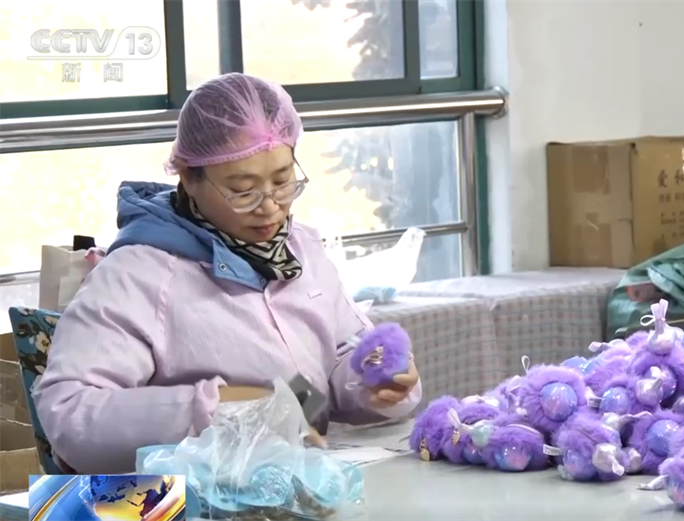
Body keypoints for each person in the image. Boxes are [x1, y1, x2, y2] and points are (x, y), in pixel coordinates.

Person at [33, 73, 422, 474]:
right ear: (188, 176)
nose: (269, 206)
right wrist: (220, 409)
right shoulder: (140, 274)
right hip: (188, 497)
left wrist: (371, 382)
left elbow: (323, 373)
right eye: (243, 190)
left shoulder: (299, 249)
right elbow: (69, 412)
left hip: (298, 483)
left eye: (282, 181)